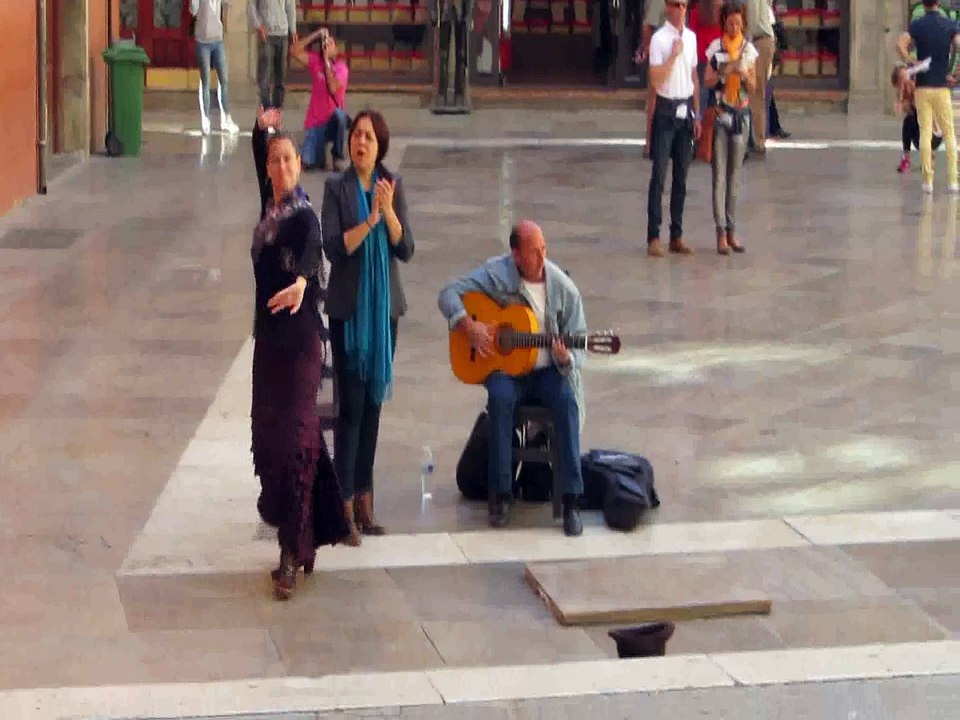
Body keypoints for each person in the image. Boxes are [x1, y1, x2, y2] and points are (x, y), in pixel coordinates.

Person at [437, 221, 587, 536]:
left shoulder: (563, 289)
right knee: (501, 398)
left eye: (544, 248)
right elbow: (448, 293)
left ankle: (572, 499)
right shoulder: (496, 274)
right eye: (535, 251)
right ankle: (501, 495)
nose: (543, 256)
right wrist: (469, 326)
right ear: (516, 255)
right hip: (509, 373)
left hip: (548, 371)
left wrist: (567, 357)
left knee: (567, 401)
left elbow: (581, 345)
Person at [249, 130, 349, 600]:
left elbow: (313, 245)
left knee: (294, 442)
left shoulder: (303, 215)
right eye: (275, 161)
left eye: (290, 160)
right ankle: (327, 517)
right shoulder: (269, 215)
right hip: (268, 346)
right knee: (274, 441)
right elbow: (259, 156)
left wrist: (304, 281)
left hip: (302, 344)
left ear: (298, 166)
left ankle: (291, 553)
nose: (283, 168)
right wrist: (259, 130)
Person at [321, 111, 414, 544]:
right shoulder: (336, 188)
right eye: (356, 135)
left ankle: (365, 502)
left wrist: (389, 212)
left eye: (369, 137)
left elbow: (407, 248)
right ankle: (342, 509)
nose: (360, 142)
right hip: (349, 312)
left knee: (373, 407)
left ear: (380, 147)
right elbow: (336, 248)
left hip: (384, 314)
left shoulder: (390, 186)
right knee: (351, 410)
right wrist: (371, 220)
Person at [646, 0, 701, 257]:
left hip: (685, 110)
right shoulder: (659, 39)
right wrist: (672, 55)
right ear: (667, 7)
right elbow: (655, 79)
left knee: (682, 175)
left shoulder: (691, 37)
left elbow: (694, 77)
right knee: (659, 175)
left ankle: (676, 234)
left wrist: (697, 114)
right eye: (675, 4)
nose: (680, 10)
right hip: (666, 110)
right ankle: (653, 235)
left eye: (683, 5)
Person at [705, 1, 756, 255]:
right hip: (722, 114)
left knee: (735, 177)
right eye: (730, 23)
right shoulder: (716, 48)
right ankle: (720, 233)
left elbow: (756, 86)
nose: (734, 27)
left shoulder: (749, 51)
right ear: (723, 23)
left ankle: (733, 230)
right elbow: (707, 79)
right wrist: (723, 71)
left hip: (741, 115)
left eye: (738, 23)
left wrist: (745, 74)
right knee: (719, 177)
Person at [898, 0, 959, 193]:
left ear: (923, 4)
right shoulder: (949, 25)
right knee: (949, 133)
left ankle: (928, 181)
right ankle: (953, 180)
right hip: (942, 87)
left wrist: (910, 60)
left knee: (925, 132)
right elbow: (958, 45)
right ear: (938, 3)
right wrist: (954, 73)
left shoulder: (917, 25)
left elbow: (900, 45)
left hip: (922, 86)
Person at [291, 27, 350, 171]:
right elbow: (294, 50)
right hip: (316, 123)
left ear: (336, 49)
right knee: (309, 164)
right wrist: (316, 35)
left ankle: (337, 155)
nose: (327, 47)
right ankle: (318, 154)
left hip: (332, 121)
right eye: (325, 44)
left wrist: (326, 61)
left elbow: (333, 88)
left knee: (340, 116)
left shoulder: (342, 68)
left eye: (331, 44)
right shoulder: (315, 61)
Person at [190, 0, 240, 136]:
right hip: (202, 41)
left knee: (223, 79)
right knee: (205, 80)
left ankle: (226, 119)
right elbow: (193, 11)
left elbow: (226, 5)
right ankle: (205, 119)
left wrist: (223, 26)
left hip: (218, 40)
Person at [893, 61, 943, 174]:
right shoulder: (907, 89)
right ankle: (923, 157)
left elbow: (922, 109)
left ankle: (927, 156)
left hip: (934, 134)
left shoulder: (917, 87)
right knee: (910, 120)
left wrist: (904, 101)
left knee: (912, 119)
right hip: (923, 135)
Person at [248, 0, 297, 109]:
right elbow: (251, 5)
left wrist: (292, 29)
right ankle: (267, 110)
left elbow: (290, 6)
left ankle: (277, 111)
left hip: (283, 34)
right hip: (267, 35)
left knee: (281, 77)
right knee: (265, 77)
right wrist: (258, 26)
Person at [635, 0, 666, 160]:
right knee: (654, 97)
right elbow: (648, 25)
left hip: (680, 45)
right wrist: (646, 48)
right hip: (661, 49)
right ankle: (650, 142)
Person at [744, 0, 775, 159]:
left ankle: (758, 140)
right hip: (756, 40)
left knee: (756, 92)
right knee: (753, 91)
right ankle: (753, 138)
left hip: (759, 40)